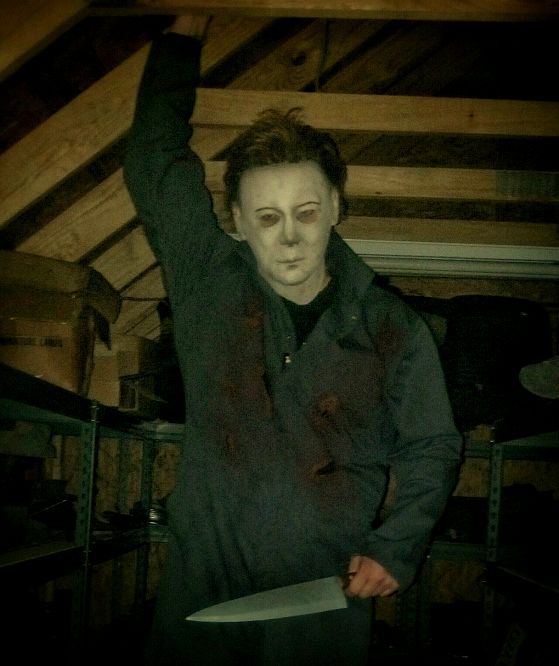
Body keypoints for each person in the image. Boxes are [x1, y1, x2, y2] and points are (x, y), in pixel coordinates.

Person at [124, 13, 463, 665]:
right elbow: (153, 161)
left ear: (335, 205)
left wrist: (396, 547)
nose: (288, 238)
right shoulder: (207, 282)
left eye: (306, 212)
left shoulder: (394, 327)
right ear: (237, 220)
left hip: (320, 601)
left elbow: (431, 444)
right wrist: (182, 36)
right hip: (203, 587)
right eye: (266, 217)